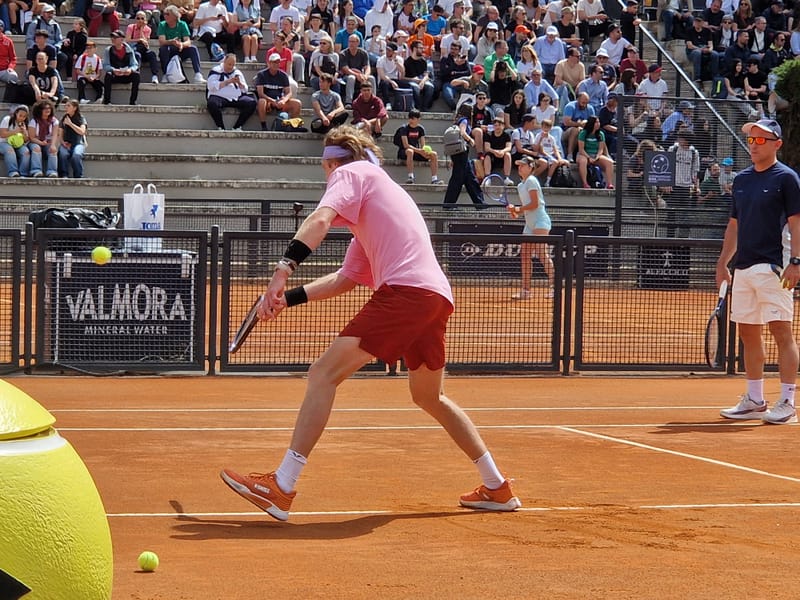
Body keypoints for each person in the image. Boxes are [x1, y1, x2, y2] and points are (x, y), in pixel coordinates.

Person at [219, 125, 522, 519]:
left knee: (322, 374)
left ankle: (283, 484)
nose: (327, 178)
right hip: (435, 297)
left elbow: (321, 218)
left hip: (407, 293)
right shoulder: (378, 197)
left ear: (331, 163)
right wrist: (287, 299)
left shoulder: (351, 174)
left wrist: (282, 271)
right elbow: (346, 279)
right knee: (429, 396)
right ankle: (497, 487)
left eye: (325, 169)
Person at [717, 119, 800, 425]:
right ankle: (754, 400)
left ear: (777, 144)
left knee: (782, 331)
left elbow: (796, 223)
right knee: (747, 332)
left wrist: (796, 262)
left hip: (774, 267)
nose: (753, 144)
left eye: (761, 140)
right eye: (751, 139)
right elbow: (735, 225)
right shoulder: (741, 180)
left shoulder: (787, 179)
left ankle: (788, 402)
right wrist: (723, 262)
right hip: (744, 268)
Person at [508, 155, 554, 300]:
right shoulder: (520, 185)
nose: (519, 168)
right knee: (525, 255)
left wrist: (518, 209)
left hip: (541, 221)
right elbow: (524, 210)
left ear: (530, 167)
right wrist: (514, 212)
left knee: (541, 254)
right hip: (529, 223)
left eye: (522, 165)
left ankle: (554, 287)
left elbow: (534, 204)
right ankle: (526, 291)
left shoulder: (532, 181)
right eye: (519, 165)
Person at [443, 103, 485, 209]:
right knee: (457, 179)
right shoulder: (464, 120)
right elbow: (462, 132)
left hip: (458, 153)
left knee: (470, 179)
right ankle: (449, 204)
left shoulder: (458, 120)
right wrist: (471, 140)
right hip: (461, 153)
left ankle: (480, 203)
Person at [206, 53, 256, 131]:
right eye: (229, 64)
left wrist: (239, 83)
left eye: (233, 65)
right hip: (220, 97)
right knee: (211, 103)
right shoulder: (216, 70)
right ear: (224, 61)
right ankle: (221, 127)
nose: (231, 67)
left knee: (251, 103)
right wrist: (227, 82)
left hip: (235, 98)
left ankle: (237, 126)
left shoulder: (237, 72)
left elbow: (245, 89)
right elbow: (211, 86)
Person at [157, 4, 205, 84]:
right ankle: (165, 74)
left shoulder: (182, 24)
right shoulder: (162, 25)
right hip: (169, 50)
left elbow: (188, 41)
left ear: (174, 15)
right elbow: (162, 41)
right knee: (163, 49)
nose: (165, 16)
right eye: (164, 14)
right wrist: (171, 42)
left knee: (193, 48)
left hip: (180, 49)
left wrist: (182, 44)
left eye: (167, 14)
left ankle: (198, 74)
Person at [255, 52, 302, 129]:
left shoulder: (283, 76)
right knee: (261, 101)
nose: (276, 64)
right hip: (267, 102)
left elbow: (288, 92)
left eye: (278, 62)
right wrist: (272, 101)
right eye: (274, 62)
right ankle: (264, 126)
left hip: (279, 101)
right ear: (269, 63)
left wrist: (283, 100)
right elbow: (260, 93)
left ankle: (292, 125)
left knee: (297, 103)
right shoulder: (261, 75)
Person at [395, 108, 442, 184]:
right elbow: (406, 145)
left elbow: (423, 144)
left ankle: (434, 179)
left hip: (416, 151)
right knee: (410, 151)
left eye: (413, 118)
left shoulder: (420, 129)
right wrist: (419, 151)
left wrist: (424, 152)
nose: (411, 120)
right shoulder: (404, 128)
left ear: (418, 119)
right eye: (410, 118)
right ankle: (410, 177)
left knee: (434, 154)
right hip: (404, 151)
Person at [103, 30, 140, 105]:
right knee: (108, 75)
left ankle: (133, 101)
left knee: (136, 75)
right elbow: (105, 65)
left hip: (126, 75)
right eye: (112, 37)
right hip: (115, 75)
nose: (113, 39)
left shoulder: (129, 50)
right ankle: (107, 101)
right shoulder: (108, 50)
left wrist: (130, 70)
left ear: (122, 39)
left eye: (115, 37)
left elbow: (135, 64)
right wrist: (113, 70)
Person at [577, 116, 614, 189]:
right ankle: (585, 183)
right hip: (584, 154)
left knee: (609, 162)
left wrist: (597, 157)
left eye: (598, 122)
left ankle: (609, 184)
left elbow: (601, 149)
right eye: (596, 122)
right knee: (583, 161)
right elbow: (581, 149)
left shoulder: (601, 134)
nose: (598, 124)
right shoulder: (583, 133)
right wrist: (589, 157)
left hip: (596, 155)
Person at [27, 99, 59, 177]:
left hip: (48, 142)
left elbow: (55, 134)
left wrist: (53, 145)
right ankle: (36, 170)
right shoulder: (34, 121)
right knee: (36, 148)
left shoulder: (54, 121)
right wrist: (40, 143)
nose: (47, 110)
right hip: (35, 141)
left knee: (53, 150)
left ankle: (52, 172)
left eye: (49, 108)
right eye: (45, 108)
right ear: (39, 110)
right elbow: (31, 137)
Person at [56, 99, 87, 178]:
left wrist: (70, 124)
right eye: (66, 105)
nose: (66, 107)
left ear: (75, 108)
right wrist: (63, 142)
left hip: (78, 143)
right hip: (66, 143)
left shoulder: (81, 118)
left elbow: (82, 131)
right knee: (63, 154)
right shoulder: (63, 118)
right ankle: (63, 174)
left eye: (68, 106)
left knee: (76, 155)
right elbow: (60, 133)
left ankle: (78, 176)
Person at [126, 11, 159, 84]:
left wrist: (141, 30)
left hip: (143, 49)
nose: (140, 20)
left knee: (152, 54)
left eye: (142, 18)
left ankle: (154, 75)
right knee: (137, 54)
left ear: (145, 20)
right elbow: (127, 40)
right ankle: (136, 75)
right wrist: (139, 40)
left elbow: (145, 42)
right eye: (138, 18)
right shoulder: (131, 27)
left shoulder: (148, 29)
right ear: (135, 19)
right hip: (134, 49)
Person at [1, 104, 32, 177]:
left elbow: (26, 140)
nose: (22, 118)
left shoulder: (26, 123)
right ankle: (13, 172)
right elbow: (2, 134)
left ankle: (23, 173)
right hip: (4, 142)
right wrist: (16, 131)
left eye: (24, 116)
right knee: (10, 151)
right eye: (20, 115)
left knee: (26, 152)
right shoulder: (7, 119)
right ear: (16, 113)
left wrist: (24, 132)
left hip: (18, 143)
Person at [483, 114, 513, 184]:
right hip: (492, 156)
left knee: (508, 155)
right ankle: (487, 178)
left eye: (499, 125)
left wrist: (502, 151)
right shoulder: (489, 134)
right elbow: (487, 148)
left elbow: (509, 147)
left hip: (502, 155)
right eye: (495, 125)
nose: (497, 127)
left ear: (503, 126)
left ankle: (507, 178)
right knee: (487, 156)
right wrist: (495, 152)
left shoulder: (506, 135)